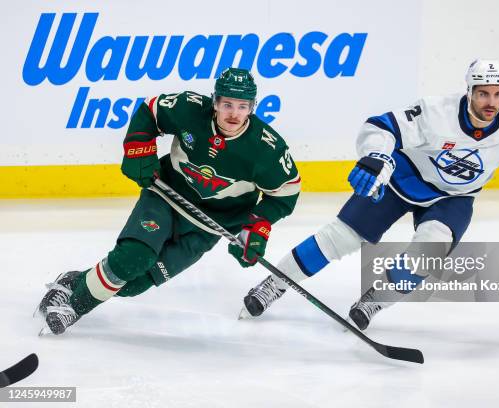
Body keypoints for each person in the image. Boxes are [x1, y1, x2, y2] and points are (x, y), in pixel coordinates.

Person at [239, 59, 499, 330]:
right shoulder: (435, 111)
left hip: (453, 199)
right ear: (470, 91)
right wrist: (376, 156)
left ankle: (373, 302)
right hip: (404, 178)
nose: (491, 102)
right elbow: (380, 127)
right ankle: (274, 284)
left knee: (428, 252)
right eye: (483, 94)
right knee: (339, 238)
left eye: (498, 94)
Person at [37, 68, 301, 335]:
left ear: (252, 107)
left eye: (243, 106)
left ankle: (75, 281)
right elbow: (151, 112)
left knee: (136, 284)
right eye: (227, 104)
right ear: (215, 101)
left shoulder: (266, 148)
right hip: (165, 197)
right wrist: (138, 150)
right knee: (133, 259)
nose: (234, 113)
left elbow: (286, 192)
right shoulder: (190, 109)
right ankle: (73, 307)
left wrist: (256, 227)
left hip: (207, 228)